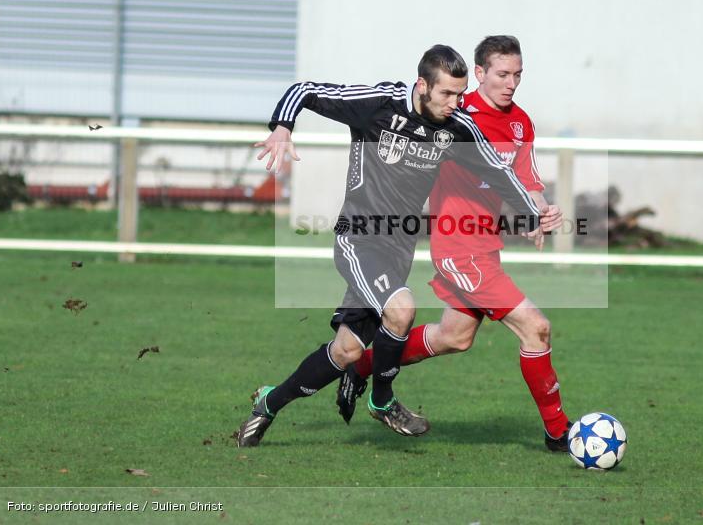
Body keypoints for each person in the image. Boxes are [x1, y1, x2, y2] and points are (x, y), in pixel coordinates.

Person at [237, 44, 559, 447]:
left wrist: (532, 213)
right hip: (358, 237)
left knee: (346, 353)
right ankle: (384, 400)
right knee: (402, 309)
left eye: (460, 95)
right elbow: (303, 90)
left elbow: (498, 171)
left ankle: (269, 402)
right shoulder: (378, 103)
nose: (455, 103)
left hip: (397, 249)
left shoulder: (457, 126)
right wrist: (282, 127)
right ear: (422, 85)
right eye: (446, 94)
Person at [336, 36, 573, 451]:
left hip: (487, 246)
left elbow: (525, 182)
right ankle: (559, 432)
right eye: (502, 74)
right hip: (457, 245)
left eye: (518, 74)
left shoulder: (521, 124)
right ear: (479, 73)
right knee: (537, 329)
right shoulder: (453, 114)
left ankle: (362, 366)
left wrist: (539, 212)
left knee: (455, 336)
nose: (511, 82)